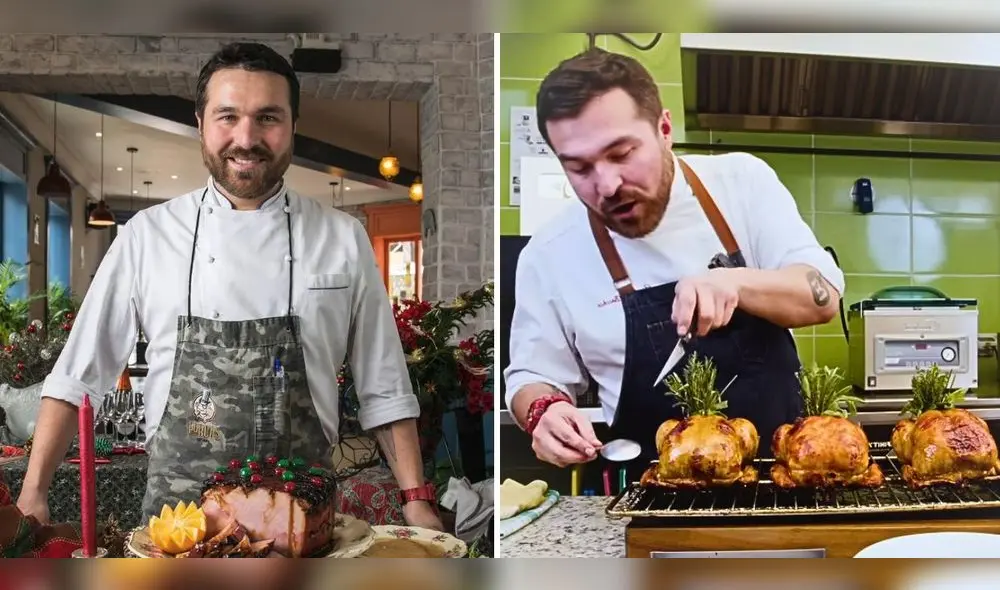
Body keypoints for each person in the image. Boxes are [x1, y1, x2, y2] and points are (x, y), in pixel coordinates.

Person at [16, 42, 443, 532]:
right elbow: (77, 378)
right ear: (200, 122)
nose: (246, 137)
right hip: (177, 529)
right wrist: (34, 492)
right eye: (227, 116)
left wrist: (415, 500)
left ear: (293, 127)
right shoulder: (147, 236)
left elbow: (384, 386)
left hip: (303, 523)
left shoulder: (343, 238)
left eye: (268, 117)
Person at [503, 48, 845, 473]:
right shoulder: (550, 253)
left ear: (664, 129)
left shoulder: (741, 183)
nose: (606, 185)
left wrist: (733, 284)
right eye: (579, 168)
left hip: (786, 482)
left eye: (622, 153)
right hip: (651, 494)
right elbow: (531, 375)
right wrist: (543, 411)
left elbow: (822, 297)